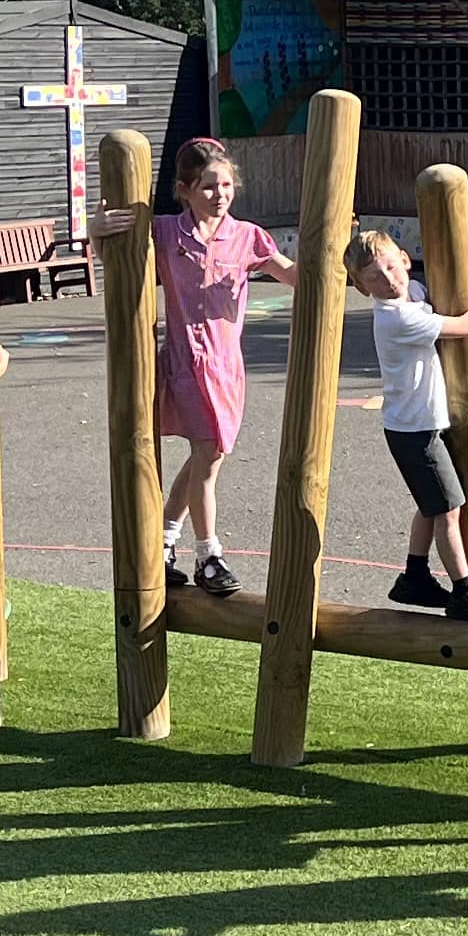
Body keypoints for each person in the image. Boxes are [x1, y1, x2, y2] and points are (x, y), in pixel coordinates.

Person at [136, 137, 297, 598]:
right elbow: (115, 246)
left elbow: (295, 275)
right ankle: (209, 555)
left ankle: (164, 540)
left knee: (211, 455)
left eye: (226, 185)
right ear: (185, 190)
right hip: (187, 359)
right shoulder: (167, 232)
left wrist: (335, 256)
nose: (220, 194)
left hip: (228, 365)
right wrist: (100, 223)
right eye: (208, 187)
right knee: (207, 454)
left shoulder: (246, 236)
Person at [346, 231, 468, 625]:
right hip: (413, 431)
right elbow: (467, 323)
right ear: (362, 288)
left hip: (415, 426)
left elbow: (442, 302)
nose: (387, 279)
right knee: (449, 509)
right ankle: (465, 590)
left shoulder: (413, 293)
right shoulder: (398, 318)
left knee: (430, 504)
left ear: (404, 259)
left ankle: (415, 577)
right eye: (373, 277)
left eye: (389, 266)